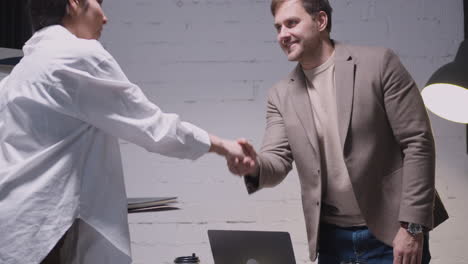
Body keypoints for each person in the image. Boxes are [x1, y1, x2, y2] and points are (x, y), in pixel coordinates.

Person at [0, 0, 254, 263]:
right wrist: (223, 145)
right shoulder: (75, 55)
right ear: (74, 4)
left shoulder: (21, 72)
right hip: (45, 233)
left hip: (17, 228)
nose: (105, 18)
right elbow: (153, 127)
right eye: (98, 4)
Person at [228, 0, 449, 263]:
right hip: (332, 241)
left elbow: (418, 143)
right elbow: (276, 160)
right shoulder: (280, 95)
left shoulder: (379, 64)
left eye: (291, 23)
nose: (282, 35)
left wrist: (412, 228)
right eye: (278, 27)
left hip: (393, 235)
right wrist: (253, 167)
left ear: (321, 21)